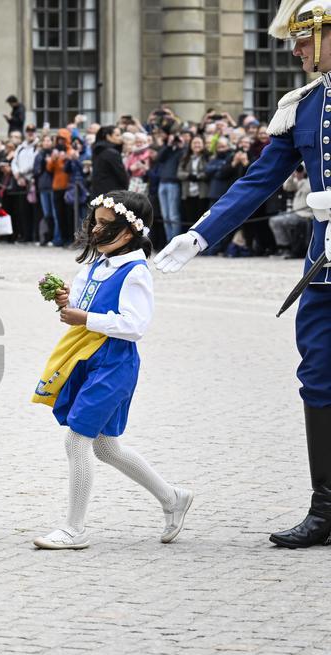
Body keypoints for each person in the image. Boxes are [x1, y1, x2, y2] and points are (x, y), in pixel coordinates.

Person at [156, 0, 331, 548]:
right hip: (325, 264)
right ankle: (325, 507)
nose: (296, 50)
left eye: (304, 39)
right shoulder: (303, 105)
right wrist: (199, 235)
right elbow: (257, 181)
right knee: (319, 377)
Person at [32, 190, 193, 549]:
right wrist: (68, 300)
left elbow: (135, 325)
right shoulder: (97, 264)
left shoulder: (135, 272)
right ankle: (172, 498)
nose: (95, 228)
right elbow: (86, 304)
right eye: (95, 221)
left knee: (77, 439)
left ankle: (74, 528)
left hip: (114, 364)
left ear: (129, 232)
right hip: (89, 359)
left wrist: (85, 317)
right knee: (106, 448)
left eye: (105, 224)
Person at [270, 165, 311, 258]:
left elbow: (309, 190)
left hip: (306, 214)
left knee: (279, 221)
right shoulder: (301, 180)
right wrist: (293, 175)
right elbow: (287, 187)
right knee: (274, 220)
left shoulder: (310, 181)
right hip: (295, 213)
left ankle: (287, 248)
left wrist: (303, 178)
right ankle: (283, 247)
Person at [89, 124, 129, 197]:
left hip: (99, 192)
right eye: (117, 135)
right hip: (112, 193)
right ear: (108, 136)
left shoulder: (98, 150)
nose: (120, 138)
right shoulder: (111, 153)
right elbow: (121, 174)